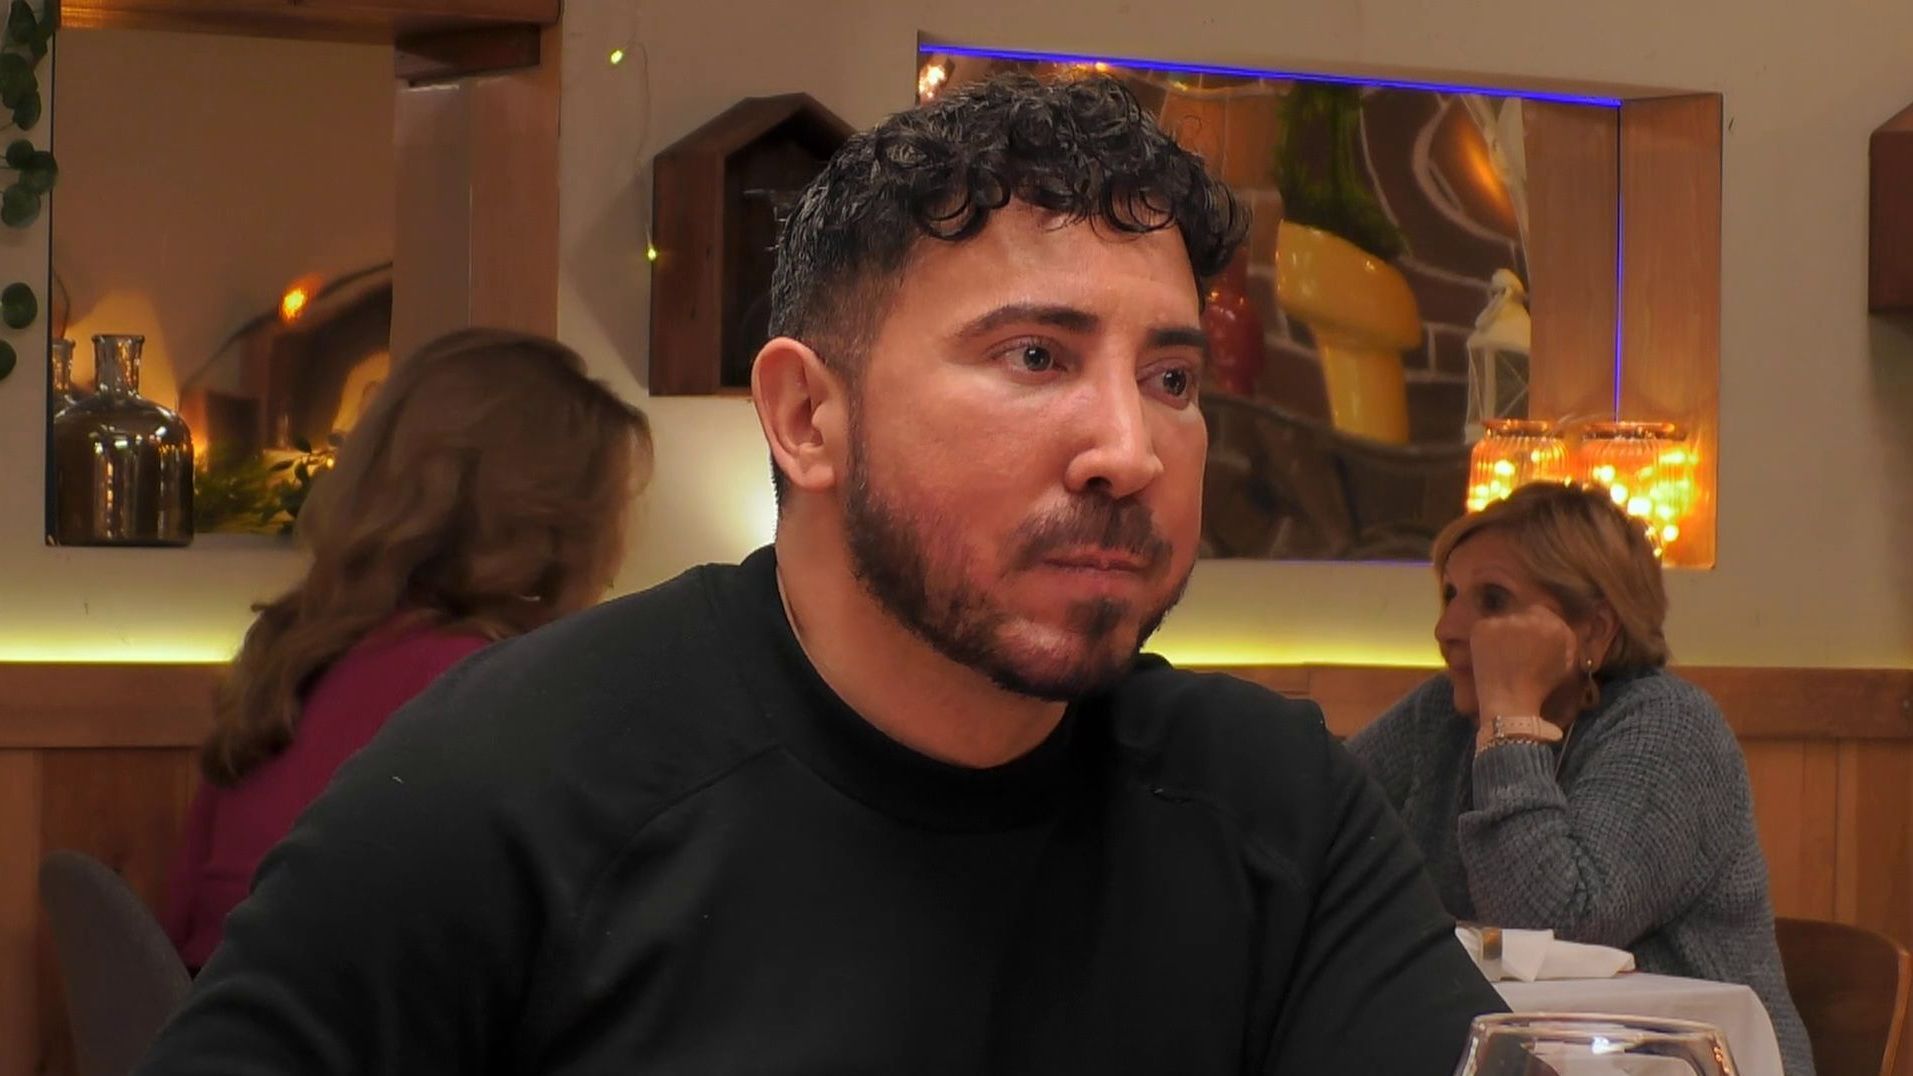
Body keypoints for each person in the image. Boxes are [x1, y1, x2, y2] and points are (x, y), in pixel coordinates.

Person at [137, 75, 1501, 1076]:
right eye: (1035, 357)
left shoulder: (1271, 805)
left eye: (1171, 379)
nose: (1128, 450)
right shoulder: (515, 780)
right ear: (806, 417)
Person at [162, 328, 652, 972]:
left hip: (228, 1011)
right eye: (612, 508)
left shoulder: (297, 647)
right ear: (552, 522)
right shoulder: (476, 684)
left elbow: (183, 919)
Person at [1347, 481, 1814, 1075]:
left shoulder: (1670, 726)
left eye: (1493, 601)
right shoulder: (1440, 716)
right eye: (1450, 595)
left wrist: (1510, 716)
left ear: (1592, 631)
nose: (1447, 629)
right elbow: (1324, 810)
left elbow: (1553, 922)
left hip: (1682, 1064)